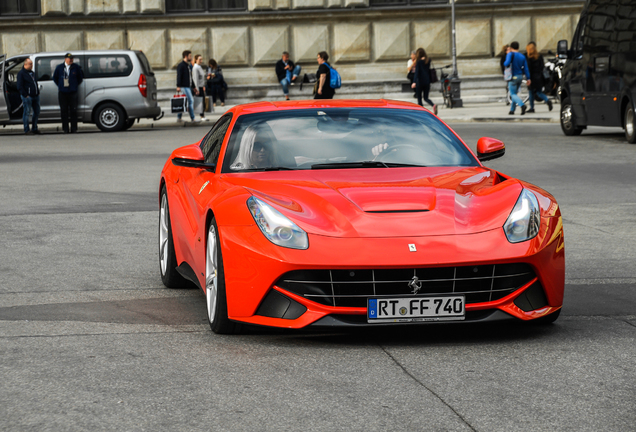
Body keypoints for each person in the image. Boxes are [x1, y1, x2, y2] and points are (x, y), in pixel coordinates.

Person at [52, 53, 83, 133]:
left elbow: (80, 78)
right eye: (70, 58)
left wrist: (74, 85)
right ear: (65, 59)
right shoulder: (59, 67)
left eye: (72, 58)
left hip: (73, 92)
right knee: (64, 111)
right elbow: (55, 78)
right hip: (63, 92)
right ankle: (65, 128)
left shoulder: (75, 67)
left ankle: (74, 128)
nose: (71, 60)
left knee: (73, 110)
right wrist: (60, 85)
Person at [504, 41, 531, 115]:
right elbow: (526, 68)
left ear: (511, 47)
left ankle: (522, 105)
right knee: (515, 94)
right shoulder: (522, 56)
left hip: (512, 77)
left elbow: (506, 63)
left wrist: (506, 59)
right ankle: (512, 110)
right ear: (518, 47)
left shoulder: (510, 54)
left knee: (512, 94)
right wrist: (528, 78)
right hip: (520, 77)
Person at [525, 42, 553, 113]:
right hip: (539, 77)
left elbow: (529, 69)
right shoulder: (540, 56)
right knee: (539, 92)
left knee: (531, 93)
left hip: (532, 77)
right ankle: (547, 100)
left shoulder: (528, 57)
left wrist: (528, 78)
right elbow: (542, 67)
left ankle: (532, 108)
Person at [17, 58, 40, 135]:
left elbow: (35, 83)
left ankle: (34, 128)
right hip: (27, 96)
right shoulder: (21, 73)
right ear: (25, 64)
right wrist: (25, 95)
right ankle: (26, 129)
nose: (31, 65)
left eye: (32, 64)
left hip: (35, 95)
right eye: (30, 64)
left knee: (36, 112)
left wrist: (37, 92)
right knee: (27, 112)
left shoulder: (32, 73)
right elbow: (19, 86)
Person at [411, 47, 437, 115]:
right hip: (427, 82)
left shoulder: (418, 62)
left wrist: (414, 82)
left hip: (420, 82)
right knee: (426, 98)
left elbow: (417, 72)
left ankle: (422, 113)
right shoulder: (428, 60)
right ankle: (433, 105)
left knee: (419, 99)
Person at [176, 50, 199, 123]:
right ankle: (193, 118)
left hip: (188, 86)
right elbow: (179, 76)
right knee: (190, 101)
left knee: (183, 102)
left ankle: (179, 118)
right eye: (190, 56)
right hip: (183, 86)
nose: (191, 57)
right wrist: (178, 86)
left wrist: (194, 87)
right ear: (186, 56)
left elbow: (190, 77)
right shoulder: (181, 65)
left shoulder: (188, 66)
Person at [192, 54, 208, 121]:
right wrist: (197, 89)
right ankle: (201, 116)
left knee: (202, 101)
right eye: (200, 59)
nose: (201, 61)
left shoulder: (199, 67)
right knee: (200, 102)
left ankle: (203, 115)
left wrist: (203, 85)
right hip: (199, 87)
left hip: (201, 86)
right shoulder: (195, 68)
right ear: (196, 60)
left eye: (201, 59)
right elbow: (195, 79)